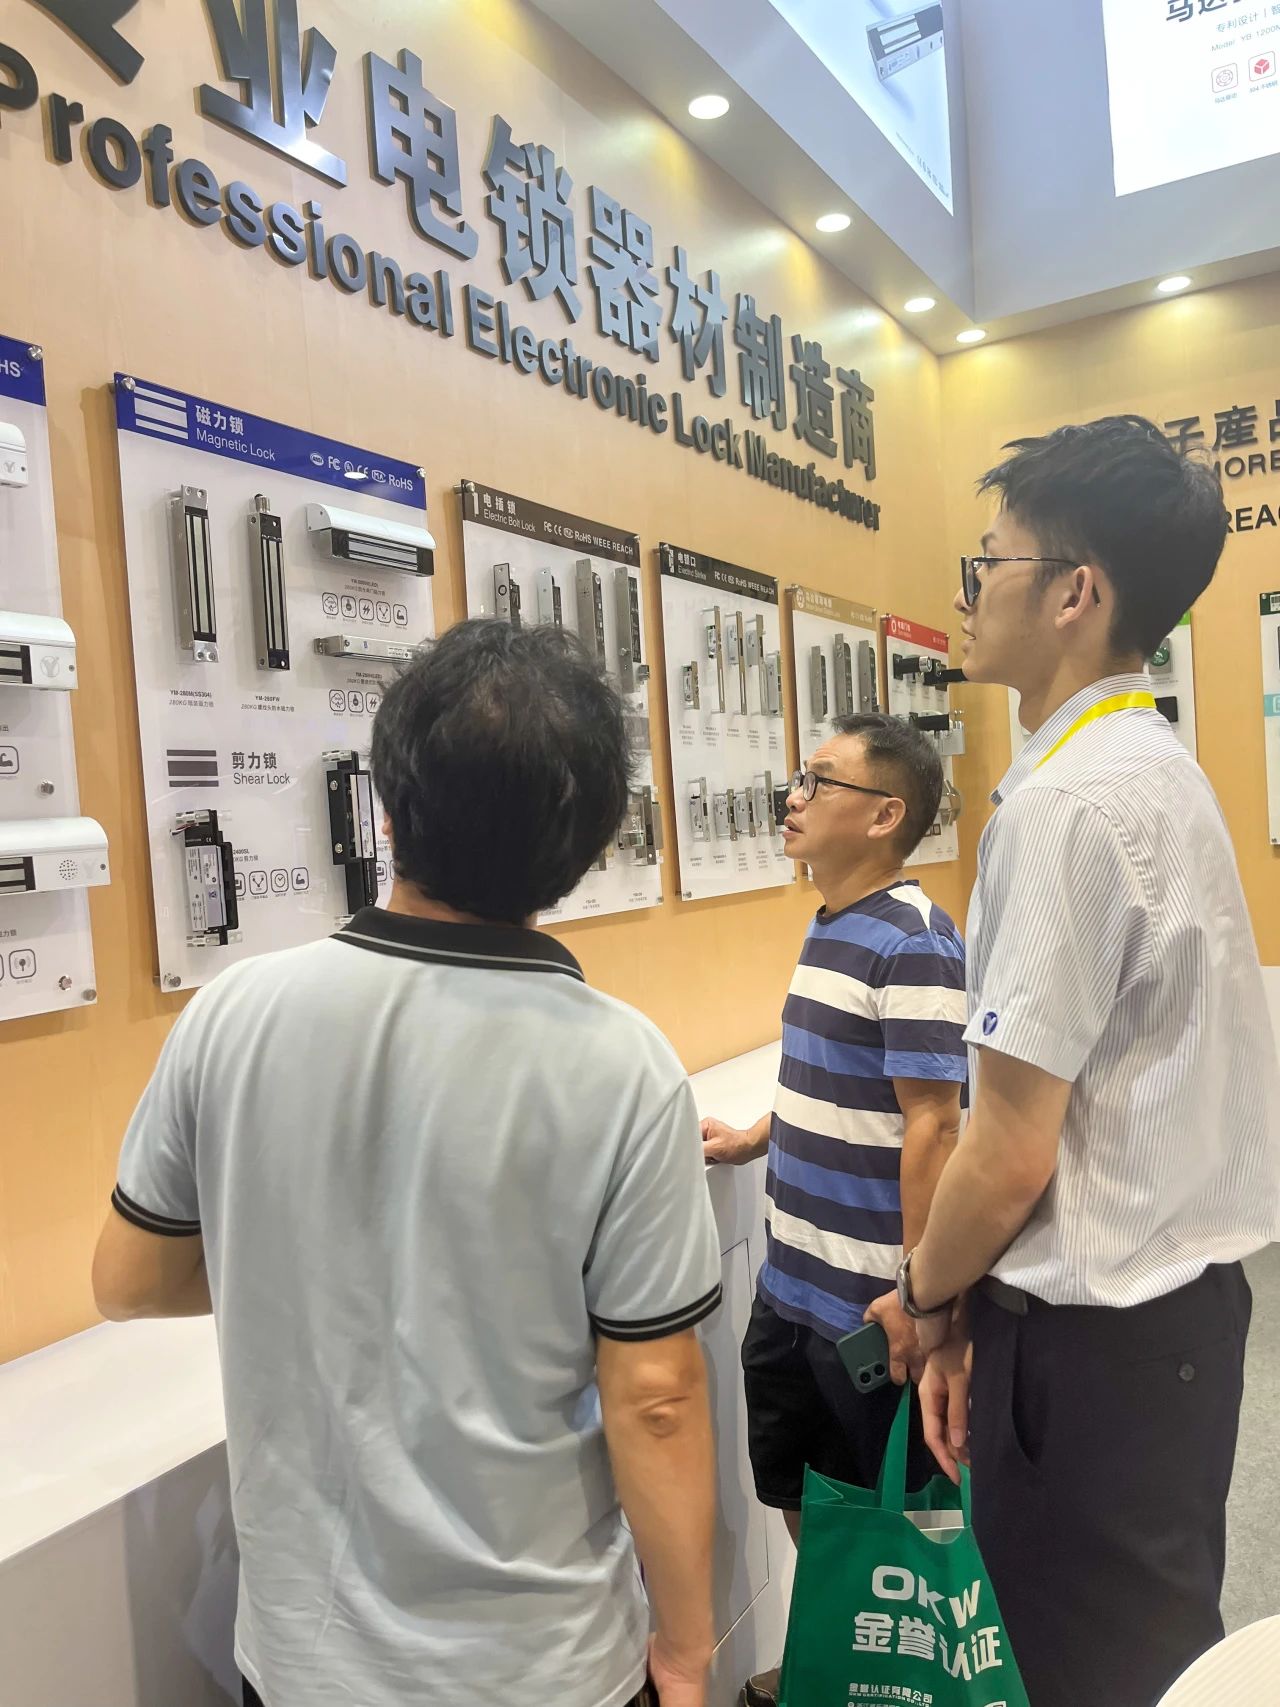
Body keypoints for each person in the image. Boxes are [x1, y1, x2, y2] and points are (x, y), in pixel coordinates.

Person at [92, 620, 722, 1707]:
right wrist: (688, 1642)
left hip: (302, 1660)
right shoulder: (623, 1067)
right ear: (586, 847)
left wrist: (321, 1270)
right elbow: (655, 1396)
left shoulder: (234, 1012)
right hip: (541, 1665)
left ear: (388, 806)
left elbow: (129, 1279)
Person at [902, 416, 1280, 1707]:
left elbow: (1008, 1147)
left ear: (1075, 592)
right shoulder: (1152, 764)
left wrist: (924, 1293)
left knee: (1085, 1666)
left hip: (1092, 1350)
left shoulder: (1065, 803)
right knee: (1151, 1645)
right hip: (1176, 1323)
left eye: (988, 559)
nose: (968, 590)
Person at [701, 713, 967, 1707]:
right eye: (800, 778)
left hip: (869, 1307)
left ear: (884, 815)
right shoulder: (830, 924)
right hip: (790, 1289)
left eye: (819, 781)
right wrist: (756, 1137)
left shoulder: (915, 941)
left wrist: (919, 1295)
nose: (794, 798)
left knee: (894, 1518)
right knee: (804, 1493)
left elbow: (933, 1124)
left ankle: (894, 1681)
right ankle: (833, 1663)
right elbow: (839, 1079)